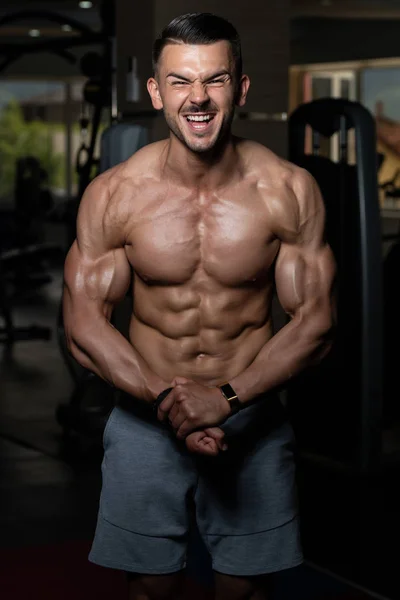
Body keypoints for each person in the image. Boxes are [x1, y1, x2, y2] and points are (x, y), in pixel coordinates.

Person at [63, 12, 336, 600]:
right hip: (143, 419)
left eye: (214, 80)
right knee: (149, 589)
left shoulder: (287, 190)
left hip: (252, 420)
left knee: (245, 590)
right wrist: (169, 400)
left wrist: (227, 399)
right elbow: (84, 324)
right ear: (156, 91)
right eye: (182, 81)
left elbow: (317, 325)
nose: (199, 98)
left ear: (239, 88)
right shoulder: (115, 195)